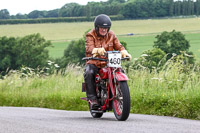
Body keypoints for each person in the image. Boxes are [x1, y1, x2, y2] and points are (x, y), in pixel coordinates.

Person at [84, 14, 132, 109]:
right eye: (101, 27)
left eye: (106, 28)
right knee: (89, 72)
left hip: (108, 62)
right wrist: (96, 50)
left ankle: (119, 92)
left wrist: (124, 52)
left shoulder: (111, 35)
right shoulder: (90, 35)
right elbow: (89, 47)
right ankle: (92, 99)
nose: (104, 30)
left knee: (120, 71)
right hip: (95, 62)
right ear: (97, 27)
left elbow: (118, 45)